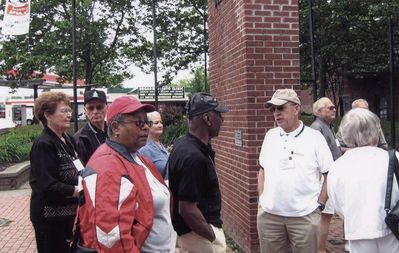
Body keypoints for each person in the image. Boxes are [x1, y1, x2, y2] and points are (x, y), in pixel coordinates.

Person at [78, 96, 175, 253]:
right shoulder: (108, 167)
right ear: (116, 127)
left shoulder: (137, 157)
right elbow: (111, 238)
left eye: (146, 123)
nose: (145, 128)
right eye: (139, 123)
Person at [257, 89, 333, 253]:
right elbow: (262, 171)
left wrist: (319, 205)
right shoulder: (270, 136)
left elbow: (329, 174)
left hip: (304, 217)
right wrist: (262, 200)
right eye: (273, 109)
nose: (276, 113)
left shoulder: (314, 138)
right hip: (269, 217)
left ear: (296, 109)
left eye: (281, 108)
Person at [327, 108, 399, 253]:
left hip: (357, 230)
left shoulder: (337, 166)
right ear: (375, 132)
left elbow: (337, 203)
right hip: (393, 229)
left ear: (346, 135)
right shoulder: (393, 158)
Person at [168, 92, 229, 253]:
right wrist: (212, 237)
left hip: (193, 232)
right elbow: (187, 208)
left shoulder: (185, 144)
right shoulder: (193, 156)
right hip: (197, 235)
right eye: (218, 115)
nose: (222, 120)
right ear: (207, 119)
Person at [29, 91, 80, 253]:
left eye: (69, 110)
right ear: (47, 115)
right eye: (63, 111)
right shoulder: (44, 144)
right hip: (49, 218)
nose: (69, 115)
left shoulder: (68, 139)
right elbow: (46, 183)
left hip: (68, 215)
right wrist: (76, 191)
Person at [310, 97, 343, 253]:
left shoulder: (327, 126)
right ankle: (320, 249)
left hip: (329, 177)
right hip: (323, 179)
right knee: (325, 215)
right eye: (330, 108)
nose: (334, 109)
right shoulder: (317, 128)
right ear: (319, 111)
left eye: (333, 107)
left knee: (327, 215)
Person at [74, 89, 108, 165]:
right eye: (91, 108)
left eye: (99, 107)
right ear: (85, 110)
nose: (95, 112)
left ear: (106, 108)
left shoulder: (115, 131)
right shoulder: (80, 139)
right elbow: (80, 169)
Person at [138, 111, 169, 179]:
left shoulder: (160, 145)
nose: (160, 125)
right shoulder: (144, 149)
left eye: (161, 122)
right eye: (156, 123)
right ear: (147, 125)